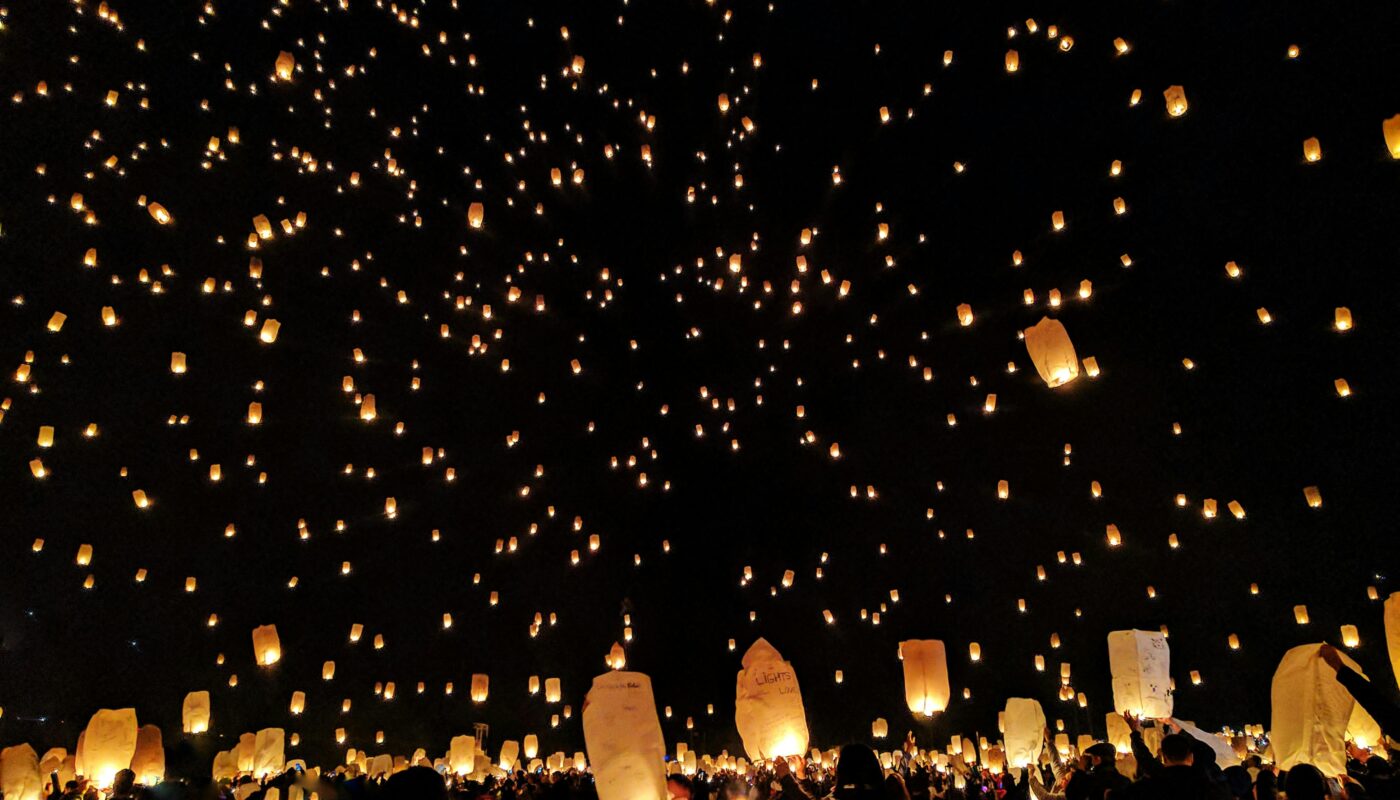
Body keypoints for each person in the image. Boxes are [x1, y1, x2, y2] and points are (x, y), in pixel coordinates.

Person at [1114, 733, 1228, 799]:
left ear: (1164, 757)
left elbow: (1144, 757)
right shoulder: (1211, 787)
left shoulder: (1148, 787)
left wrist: (1135, 733)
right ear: (1191, 757)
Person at [1064, 743, 1128, 800]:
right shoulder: (1125, 781)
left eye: (1090, 758)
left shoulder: (1091, 781)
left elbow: (1070, 795)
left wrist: (1080, 770)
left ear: (1098, 759)